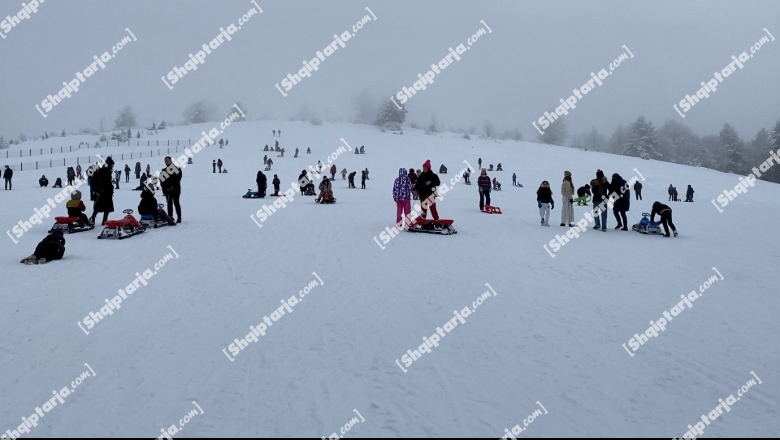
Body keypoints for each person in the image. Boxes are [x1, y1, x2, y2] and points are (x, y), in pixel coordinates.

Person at [89, 157, 115, 226]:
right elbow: (102, 182)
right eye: (112, 165)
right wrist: (100, 190)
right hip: (103, 192)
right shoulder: (105, 171)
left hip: (104, 192)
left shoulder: (104, 170)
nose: (112, 167)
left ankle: (97, 219)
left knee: (99, 207)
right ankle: (101, 219)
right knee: (104, 207)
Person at [160, 156, 182, 224]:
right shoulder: (164, 171)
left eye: (167, 160)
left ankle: (179, 218)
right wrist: (165, 189)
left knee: (176, 203)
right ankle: (170, 217)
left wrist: (173, 187)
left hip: (175, 190)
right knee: (169, 204)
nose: (166, 162)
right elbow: (162, 181)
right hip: (168, 191)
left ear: (171, 161)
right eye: (165, 161)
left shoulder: (177, 169)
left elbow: (178, 178)